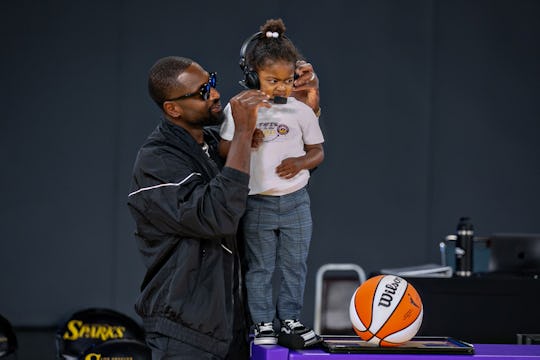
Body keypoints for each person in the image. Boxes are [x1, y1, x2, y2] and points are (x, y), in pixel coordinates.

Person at [127, 54, 320, 359]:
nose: (215, 94)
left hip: (234, 329)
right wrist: (243, 134)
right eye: (203, 92)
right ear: (173, 108)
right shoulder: (157, 161)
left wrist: (304, 110)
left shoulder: (218, 144)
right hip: (185, 335)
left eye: (212, 82)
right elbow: (217, 217)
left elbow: (280, 178)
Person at [218, 19, 324, 348]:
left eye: (287, 80)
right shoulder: (240, 107)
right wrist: (245, 137)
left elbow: (317, 151)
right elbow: (223, 148)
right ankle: (263, 321)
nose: (280, 87)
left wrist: (300, 162)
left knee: (295, 264)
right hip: (258, 201)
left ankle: (289, 317)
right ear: (252, 75)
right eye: (271, 80)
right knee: (261, 266)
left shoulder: (301, 110)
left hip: (295, 201)